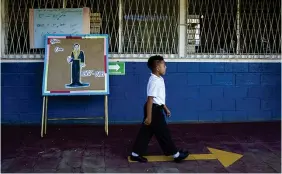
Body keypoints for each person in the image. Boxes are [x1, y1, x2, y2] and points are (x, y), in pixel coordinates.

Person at [129, 55, 189, 163]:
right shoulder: (154, 81)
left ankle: (135, 153)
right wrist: (149, 117)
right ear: (157, 67)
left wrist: (165, 108)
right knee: (164, 133)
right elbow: (150, 99)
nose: (165, 67)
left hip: (157, 108)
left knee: (146, 133)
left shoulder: (159, 79)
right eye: (164, 65)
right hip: (153, 110)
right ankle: (176, 155)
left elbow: (159, 98)